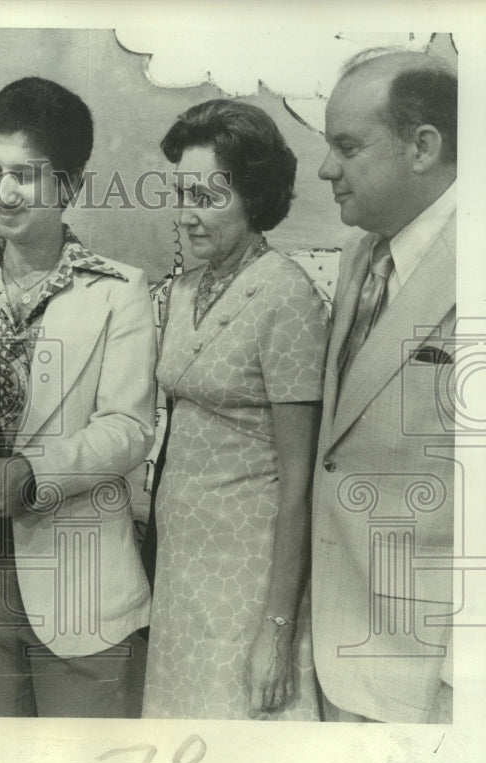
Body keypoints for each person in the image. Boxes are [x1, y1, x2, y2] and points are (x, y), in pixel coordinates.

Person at [0, 77, 156, 718]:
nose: (3, 191)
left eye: (24, 174)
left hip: (82, 586)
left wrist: (30, 472)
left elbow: (129, 428)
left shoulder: (120, 292)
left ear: (69, 187)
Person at [141, 100, 329, 720]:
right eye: (182, 195)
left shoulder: (287, 295)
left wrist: (276, 629)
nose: (188, 216)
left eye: (208, 196)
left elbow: (301, 479)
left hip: (249, 584)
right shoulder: (185, 288)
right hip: (181, 573)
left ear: (252, 195)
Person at [312, 50, 457, 723]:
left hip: (431, 681)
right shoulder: (360, 256)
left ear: (423, 147)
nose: (325, 170)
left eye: (346, 146)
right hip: (339, 659)